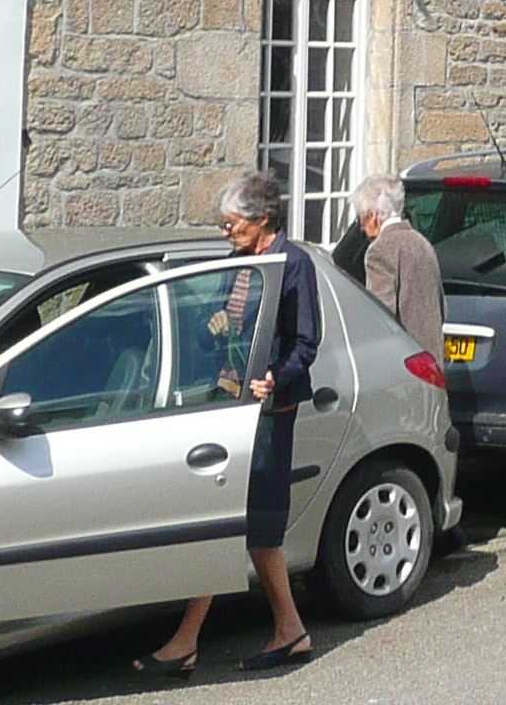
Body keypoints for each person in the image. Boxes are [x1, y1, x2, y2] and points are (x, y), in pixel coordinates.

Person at [134, 172, 318, 676]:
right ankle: (287, 631)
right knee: (242, 525)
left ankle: (191, 641)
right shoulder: (240, 263)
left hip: (268, 413)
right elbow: (225, 321)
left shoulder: (293, 262)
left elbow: (306, 342)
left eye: (230, 224)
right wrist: (214, 329)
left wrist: (275, 380)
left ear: (262, 220)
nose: (224, 233)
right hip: (228, 404)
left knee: (244, 524)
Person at [353, 174, 445, 353]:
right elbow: (441, 307)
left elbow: (380, 316)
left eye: (360, 218)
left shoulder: (379, 251)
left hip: (403, 361)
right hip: (432, 360)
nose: (361, 227)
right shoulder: (422, 242)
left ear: (373, 216)